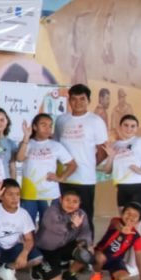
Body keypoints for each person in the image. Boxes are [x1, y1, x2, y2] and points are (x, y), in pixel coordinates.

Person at [54, 84, 108, 225]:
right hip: (64, 178)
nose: (78, 103)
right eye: (74, 99)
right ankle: (65, 246)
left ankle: (86, 246)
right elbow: (56, 147)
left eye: (82, 99)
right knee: (63, 217)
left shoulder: (96, 121)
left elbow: (103, 151)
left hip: (85, 179)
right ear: (69, 101)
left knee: (84, 216)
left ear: (88, 101)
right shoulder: (61, 120)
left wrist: (89, 165)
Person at [0, 179, 41, 280]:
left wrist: (24, 254)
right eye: (10, 194)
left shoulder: (23, 214)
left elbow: (29, 239)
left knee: (37, 259)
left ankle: (7, 269)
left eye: (17, 194)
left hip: (12, 248)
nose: (15, 198)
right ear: (2, 196)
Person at [16, 114, 76, 223]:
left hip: (50, 194)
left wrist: (61, 178)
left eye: (50, 126)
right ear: (34, 127)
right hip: (29, 193)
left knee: (50, 227)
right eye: (43, 125)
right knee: (27, 226)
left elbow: (72, 165)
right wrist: (26, 137)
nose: (47, 129)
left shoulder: (56, 146)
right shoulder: (27, 143)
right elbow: (19, 158)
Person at [32, 188, 93, 280]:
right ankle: (38, 266)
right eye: (67, 200)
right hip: (46, 251)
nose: (71, 204)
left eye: (75, 201)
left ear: (80, 203)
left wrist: (86, 244)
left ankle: (70, 274)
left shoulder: (81, 214)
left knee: (87, 254)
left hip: (64, 247)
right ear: (61, 200)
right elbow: (54, 227)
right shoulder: (52, 210)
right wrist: (71, 225)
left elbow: (85, 231)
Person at [101, 114, 141, 211]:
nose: (129, 129)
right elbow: (107, 171)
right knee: (124, 224)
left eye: (133, 126)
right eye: (126, 125)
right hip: (122, 188)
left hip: (140, 187)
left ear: (136, 128)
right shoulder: (114, 145)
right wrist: (110, 156)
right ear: (120, 127)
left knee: (135, 224)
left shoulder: (140, 141)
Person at [89, 203, 141, 280]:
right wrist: (122, 229)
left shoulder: (137, 237)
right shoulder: (115, 221)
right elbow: (115, 224)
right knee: (99, 258)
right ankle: (97, 274)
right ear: (122, 214)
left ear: (138, 221)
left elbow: (139, 261)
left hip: (115, 260)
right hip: (100, 255)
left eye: (135, 215)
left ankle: (114, 275)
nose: (130, 217)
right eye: (128, 213)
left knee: (125, 278)